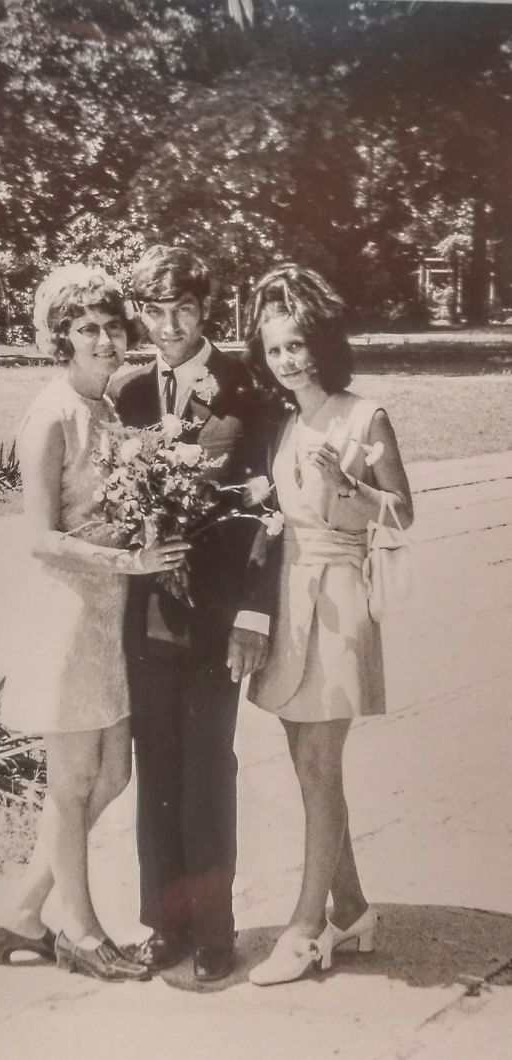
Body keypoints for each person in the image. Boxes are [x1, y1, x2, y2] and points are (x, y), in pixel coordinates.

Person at [0, 264, 189, 982]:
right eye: (86, 329)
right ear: (60, 339)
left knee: (110, 778)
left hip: (110, 616)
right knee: (73, 783)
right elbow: (39, 536)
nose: (104, 340)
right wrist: (126, 565)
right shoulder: (50, 415)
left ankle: (22, 912)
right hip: (68, 613)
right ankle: (78, 930)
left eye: (111, 326)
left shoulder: (106, 410)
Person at [112, 245, 280, 982]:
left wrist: (254, 613)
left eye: (182, 307)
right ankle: (165, 925)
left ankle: (215, 931)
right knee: (158, 767)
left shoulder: (248, 385)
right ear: (140, 314)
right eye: (155, 309)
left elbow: (274, 508)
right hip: (145, 611)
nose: (170, 323)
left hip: (218, 615)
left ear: (205, 307)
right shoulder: (125, 392)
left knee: (207, 764)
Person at [243, 262, 413, 986]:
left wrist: (350, 488)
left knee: (318, 764)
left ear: (323, 342)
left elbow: (402, 514)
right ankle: (353, 906)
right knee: (309, 764)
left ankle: (307, 930)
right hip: (289, 598)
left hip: (339, 597)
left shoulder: (363, 414)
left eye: (299, 344)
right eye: (276, 348)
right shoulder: (284, 420)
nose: (288, 359)